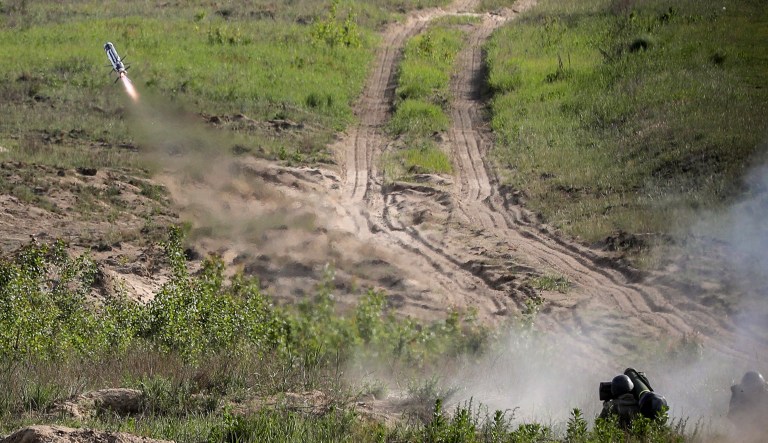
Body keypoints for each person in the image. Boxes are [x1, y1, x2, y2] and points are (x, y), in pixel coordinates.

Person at [598, 367, 668, 428]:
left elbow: (600, 423)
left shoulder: (612, 406)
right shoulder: (641, 404)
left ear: (614, 390)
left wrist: (606, 404)